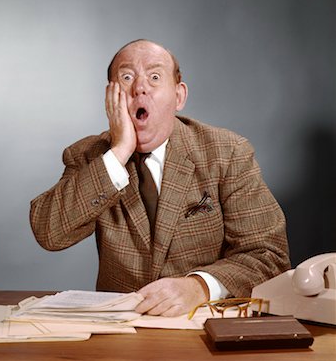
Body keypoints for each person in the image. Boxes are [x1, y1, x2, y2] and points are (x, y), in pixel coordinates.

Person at [30, 39, 290, 317]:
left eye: (154, 77)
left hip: (203, 324)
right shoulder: (89, 156)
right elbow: (49, 233)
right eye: (127, 77)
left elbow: (269, 256)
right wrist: (118, 152)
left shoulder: (227, 153)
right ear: (111, 97)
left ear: (179, 96)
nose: (139, 87)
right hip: (119, 332)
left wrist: (199, 287)